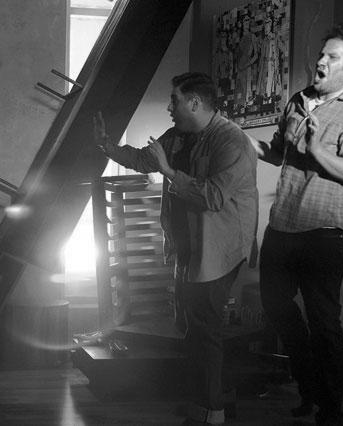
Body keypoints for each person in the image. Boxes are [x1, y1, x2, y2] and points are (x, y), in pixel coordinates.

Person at [95, 72, 258, 425]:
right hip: (189, 248)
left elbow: (213, 197)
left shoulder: (232, 142)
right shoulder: (179, 135)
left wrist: (168, 171)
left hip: (218, 250)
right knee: (190, 326)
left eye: (175, 100)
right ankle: (204, 400)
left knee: (206, 330)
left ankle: (212, 410)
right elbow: (143, 160)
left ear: (194, 103)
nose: (170, 108)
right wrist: (107, 146)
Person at [248, 24, 343, 426]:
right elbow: (280, 154)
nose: (320, 61)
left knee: (324, 322)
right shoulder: (299, 99)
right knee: (275, 304)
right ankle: (309, 386)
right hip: (283, 223)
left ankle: (331, 408)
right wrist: (246, 143)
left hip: (325, 232)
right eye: (322, 54)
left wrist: (318, 149)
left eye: (332, 56)